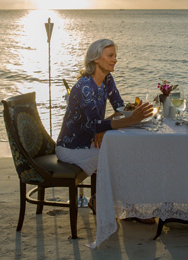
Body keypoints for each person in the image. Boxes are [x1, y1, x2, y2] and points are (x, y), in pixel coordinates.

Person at [57, 39, 153, 175]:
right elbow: (95, 124)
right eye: (110, 56)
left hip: (90, 141)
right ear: (95, 59)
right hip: (72, 148)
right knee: (122, 158)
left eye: (115, 56)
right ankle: (102, 196)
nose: (115, 60)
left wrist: (104, 127)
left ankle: (103, 195)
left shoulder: (107, 79)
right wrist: (131, 120)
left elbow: (119, 107)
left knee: (130, 150)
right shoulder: (85, 86)